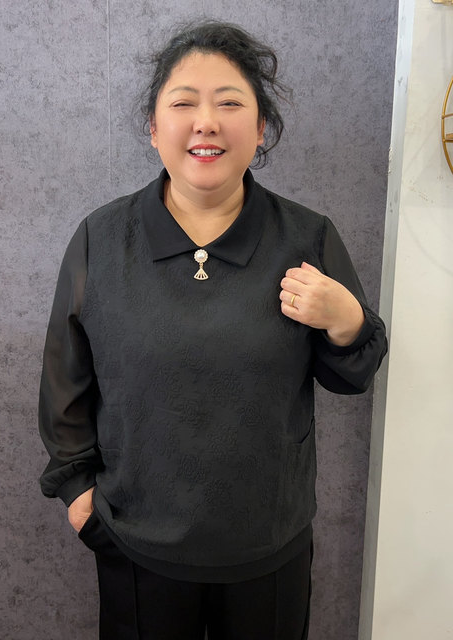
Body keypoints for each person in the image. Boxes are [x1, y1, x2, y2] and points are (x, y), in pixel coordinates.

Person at [38, 19, 387, 640]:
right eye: (183, 104)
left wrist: (348, 321)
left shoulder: (307, 237)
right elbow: (64, 382)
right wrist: (79, 495)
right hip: (136, 544)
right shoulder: (101, 239)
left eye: (229, 103)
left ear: (261, 127)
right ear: (153, 127)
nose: (206, 122)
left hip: (268, 549)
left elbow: (351, 376)